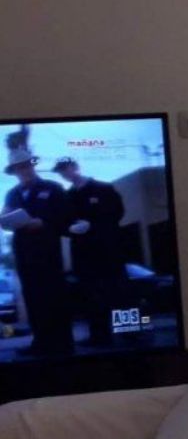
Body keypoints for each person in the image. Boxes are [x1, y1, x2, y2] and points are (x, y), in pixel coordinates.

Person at [1, 146, 73, 356]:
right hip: (24, 254)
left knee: (54, 296)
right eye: (18, 168)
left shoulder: (53, 188)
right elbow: (7, 220)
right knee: (33, 297)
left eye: (26, 165)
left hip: (47, 252)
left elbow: (66, 218)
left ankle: (63, 344)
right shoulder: (12, 194)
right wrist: (5, 220)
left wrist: (43, 223)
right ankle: (40, 342)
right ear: (14, 171)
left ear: (32, 166)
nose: (23, 170)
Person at [55, 157, 128, 345]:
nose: (64, 173)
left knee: (119, 292)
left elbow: (117, 213)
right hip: (83, 254)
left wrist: (93, 225)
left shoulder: (103, 188)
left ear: (75, 167)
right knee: (91, 295)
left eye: (66, 168)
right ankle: (99, 336)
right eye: (61, 171)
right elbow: (62, 223)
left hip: (108, 250)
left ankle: (130, 333)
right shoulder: (68, 196)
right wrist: (70, 229)